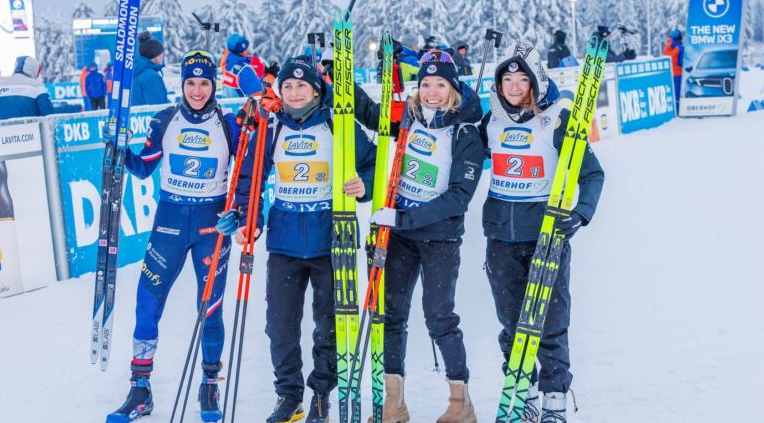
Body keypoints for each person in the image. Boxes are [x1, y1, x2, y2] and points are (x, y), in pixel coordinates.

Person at [106, 50, 259, 423]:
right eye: (190, 82)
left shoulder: (229, 124)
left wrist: (236, 213)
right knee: (147, 303)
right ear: (183, 84)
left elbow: (247, 177)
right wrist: (120, 153)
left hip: (211, 226)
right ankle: (140, 389)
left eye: (204, 83)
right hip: (169, 223)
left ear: (213, 85)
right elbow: (144, 168)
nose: (197, 90)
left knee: (209, 310)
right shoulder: (164, 120)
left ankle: (210, 384)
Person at [353, 50, 484, 423]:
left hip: (438, 236)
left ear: (453, 89)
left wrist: (404, 218)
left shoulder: (465, 133)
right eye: (425, 84)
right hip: (399, 234)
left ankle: (461, 404)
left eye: (440, 84)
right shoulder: (408, 119)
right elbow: (368, 113)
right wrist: (337, 77)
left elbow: (459, 196)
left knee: (440, 317)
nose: (431, 91)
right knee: (391, 315)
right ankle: (394, 403)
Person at [478, 42, 604, 422]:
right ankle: (523, 392)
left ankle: (554, 400)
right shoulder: (492, 122)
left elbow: (593, 173)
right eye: (506, 79)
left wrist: (580, 214)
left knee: (550, 324)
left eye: (522, 79)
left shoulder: (556, 120)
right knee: (511, 325)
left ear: (536, 83)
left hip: (545, 237)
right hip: (500, 238)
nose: (514, 87)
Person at [250, 56, 376, 423]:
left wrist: (363, 184)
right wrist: (249, 217)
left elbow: (372, 162)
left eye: (301, 85)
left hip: (331, 238)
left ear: (316, 90)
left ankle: (321, 393)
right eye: (287, 86)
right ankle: (288, 397)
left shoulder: (338, 125)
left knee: (330, 322)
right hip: (285, 241)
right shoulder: (273, 127)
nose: (293, 92)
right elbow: (253, 176)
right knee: (280, 325)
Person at [220, 33, 265, 98]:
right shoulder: (244, 70)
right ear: (242, 47)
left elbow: (242, 85)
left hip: (231, 107)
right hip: (244, 107)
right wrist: (270, 78)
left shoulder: (229, 65)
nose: (249, 47)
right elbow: (259, 97)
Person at [131, 31, 169, 106]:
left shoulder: (136, 72)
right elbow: (157, 106)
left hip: (138, 117)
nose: (162, 55)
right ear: (154, 54)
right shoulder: (151, 77)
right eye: (161, 52)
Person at [663, 29, 684, 110]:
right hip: (678, 74)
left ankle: (671, 110)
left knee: (671, 94)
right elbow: (681, 62)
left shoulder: (666, 48)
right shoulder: (680, 48)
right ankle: (678, 110)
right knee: (677, 94)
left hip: (669, 74)